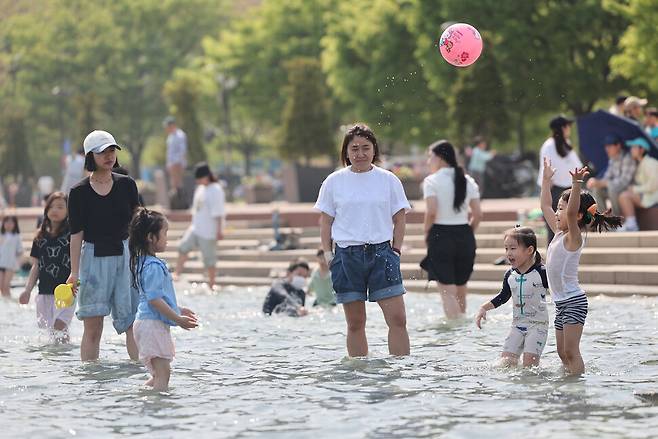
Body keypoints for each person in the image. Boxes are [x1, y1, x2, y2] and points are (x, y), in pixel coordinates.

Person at [315, 123, 411, 357]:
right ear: (346, 152)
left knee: (398, 319)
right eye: (354, 149)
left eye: (365, 148)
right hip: (347, 256)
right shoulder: (334, 181)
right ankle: (359, 375)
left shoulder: (388, 180)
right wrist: (329, 256)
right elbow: (325, 222)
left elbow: (399, 219)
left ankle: (401, 370)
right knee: (355, 323)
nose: (360, 154)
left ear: (374, 150)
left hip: (382, 254)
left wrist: (396, 251)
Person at [540, 158, 622, 374]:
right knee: (561, 352)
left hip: (574, 301)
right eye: (558, 209)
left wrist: (576, 185)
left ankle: (578, 386)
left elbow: (569, 213)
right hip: (560, 302)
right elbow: (544, 206)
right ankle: (569, 382)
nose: (557, 213)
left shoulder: (574, 238)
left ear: (577, 216)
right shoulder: (559, 234)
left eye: (562, 209)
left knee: (571, 351)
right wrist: (545, 181)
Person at [67, 130, 140, 361]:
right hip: (93, 259)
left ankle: (139, 372)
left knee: (132, 322)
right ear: (90, 156)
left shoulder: (127, 185)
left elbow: (137, 222)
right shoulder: (78, 192)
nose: (109, 156)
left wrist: (143, 257)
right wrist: (74, 272)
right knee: (93, 326)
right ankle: (90, 379)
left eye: (111, 151)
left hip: (126, 255)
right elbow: (76, 235)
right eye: (102, 152)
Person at [129, 207, 198, 391]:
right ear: (151, 238)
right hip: (152, 324)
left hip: (147, 323)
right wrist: (177, 319)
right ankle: (157, 410)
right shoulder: (152, 266)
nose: (167, 238)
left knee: (160, 374)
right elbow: (154, 299)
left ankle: (141, 396)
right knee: (163, 374)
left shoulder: (145, 262)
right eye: (165, 233)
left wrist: (177, 308)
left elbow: (157, 297)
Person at [420, 140, 482, 319]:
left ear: (440, 158)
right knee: (461, 289)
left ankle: (453, 337)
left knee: (447, 291)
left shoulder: (432, 181)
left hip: (440, 235)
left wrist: (427, 233)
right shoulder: (468, 180)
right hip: (465, 234)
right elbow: (477, 214)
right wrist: (468, 232)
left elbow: (431, 212)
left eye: (430, 157)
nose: (428, 161)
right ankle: (464, 334)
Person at [475, 227, 549, 367]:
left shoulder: (542, 273)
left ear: (529, 250)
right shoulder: (510, 275)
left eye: (513, 248)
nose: (508, 253)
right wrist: (484, 307)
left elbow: (559, 291)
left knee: (529, 367)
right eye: (506, 248)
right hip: (517, 326)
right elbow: (503, 296)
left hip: (537, 327)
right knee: (505, 364)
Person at [19, 192, 74, 342]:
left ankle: (65, 360)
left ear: (69, 210)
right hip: (44, 292)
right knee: (50, 334)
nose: (55, 210)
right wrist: (27, 290)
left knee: (60, 326)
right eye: (51, 207)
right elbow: (36, 266)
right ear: (46, 209)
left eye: (60, 207)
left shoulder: (72, 236)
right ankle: (54, 362)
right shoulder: (40, 236)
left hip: (66, 291)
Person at [173, 162, 225, 290]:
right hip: (196, 227)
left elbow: (218, 212)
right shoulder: (200, 189)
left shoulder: (216, 189)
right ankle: (176, 274)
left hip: (209, 230)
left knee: (209, 259)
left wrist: (219, 230)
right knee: (183, 247)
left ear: (206, 176)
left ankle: (212, 284)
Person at [537, 115, 583, 243]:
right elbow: (546, 173)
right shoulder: (548, 146)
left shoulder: (566, 144)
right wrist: (546, 194)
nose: (570, 129)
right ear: (563, 128)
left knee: (572, 226)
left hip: (570, 190)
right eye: (568, 126)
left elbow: (577, 166)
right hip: (556, 191)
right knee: (555, 227)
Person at [585, 134, 636, 215]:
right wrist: (596, 182)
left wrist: (604, 183)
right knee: (597, 188)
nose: (606, 149)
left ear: (618, 146)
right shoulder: (612, 159)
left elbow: (624, 182)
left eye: (609, 146)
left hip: (629, 188)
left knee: (611, 188)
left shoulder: (627, 158)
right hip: (616, 188)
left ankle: (617, 219)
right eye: (606, 146)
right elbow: (607, 176)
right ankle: (603, 218)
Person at [618, 138, 658, 231]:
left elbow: (653, 185)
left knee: (624, 196)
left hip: (652, 196)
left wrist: (634, 189)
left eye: (634, 147)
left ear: (642, 150)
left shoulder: (650, 163)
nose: (631, 150)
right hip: (646, 195)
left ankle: (632, 225)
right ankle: (628, 223)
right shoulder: (640, 164)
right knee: (623, 195)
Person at [0, 215, 23, 297]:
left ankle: (9, 300)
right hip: (1, 263)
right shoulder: (1, 235)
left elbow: (20, 251)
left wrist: (17, 263)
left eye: (11, 222)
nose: (9, 224)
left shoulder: (16, 237)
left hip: (10, 264)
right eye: (7, 222)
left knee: (6, 285)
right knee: (1, 286)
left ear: (15, 224)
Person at [164, 116, 188, 193]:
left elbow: (182, 151)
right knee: (173, 185)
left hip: (178, 164)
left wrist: (176, 163)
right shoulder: (170, 136)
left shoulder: (180, 135)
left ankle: (181, 201)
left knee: (178, 184)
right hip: (172, 164)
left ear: (172, 125)